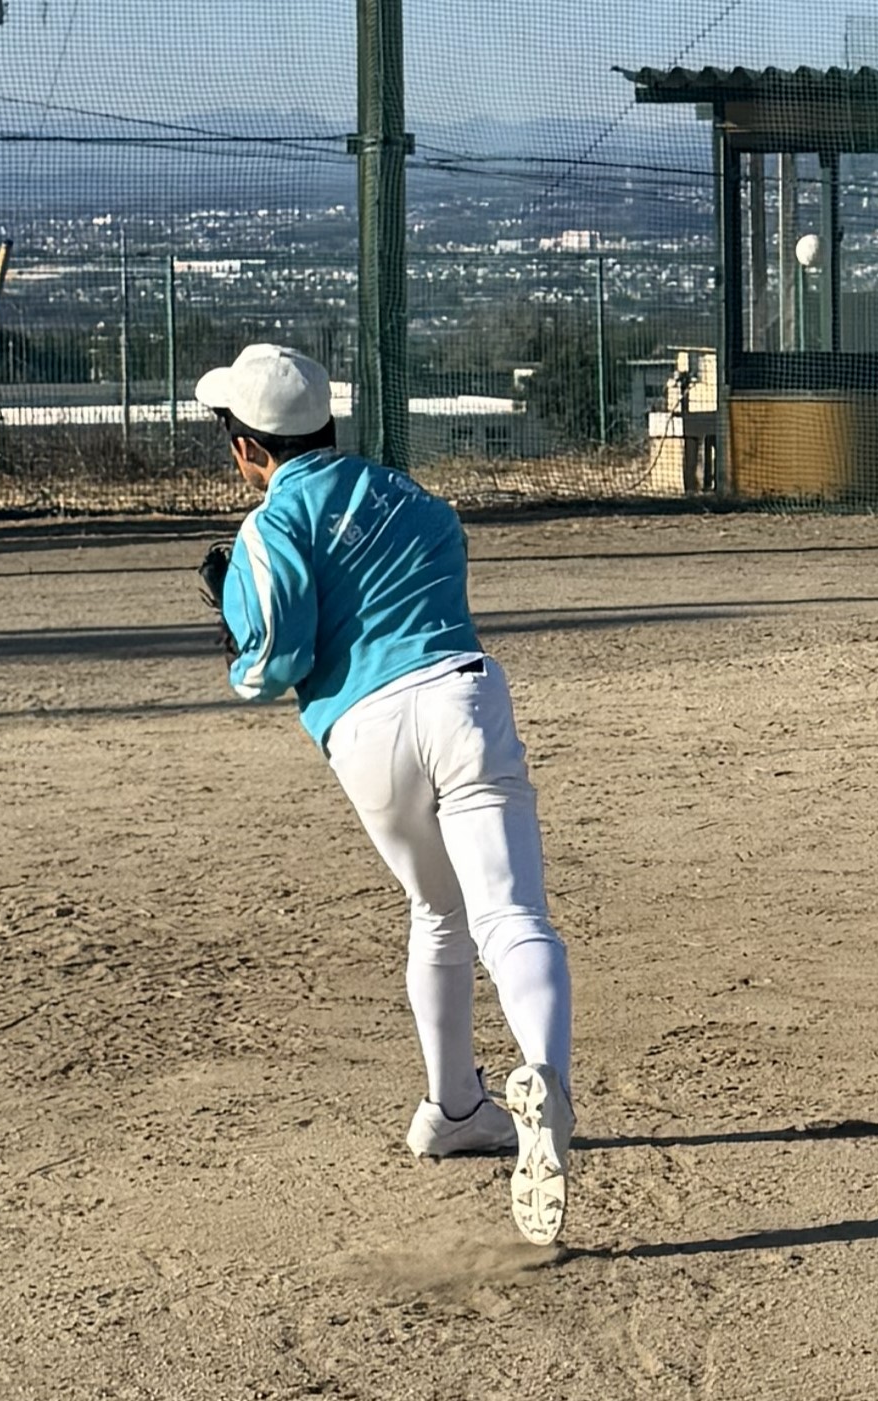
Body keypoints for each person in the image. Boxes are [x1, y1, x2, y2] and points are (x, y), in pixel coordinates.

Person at [193, 343, 576, 1247]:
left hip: (364, 732)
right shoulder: (413, 497)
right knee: (510, 914)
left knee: (435, 911)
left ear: (248, 449)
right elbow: (437, 559)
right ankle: (545, 1084)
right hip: (459, 693)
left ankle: (455, 1108)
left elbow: (273, 660)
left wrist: (237, 634)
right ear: (328, 424)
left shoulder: (269, 525)